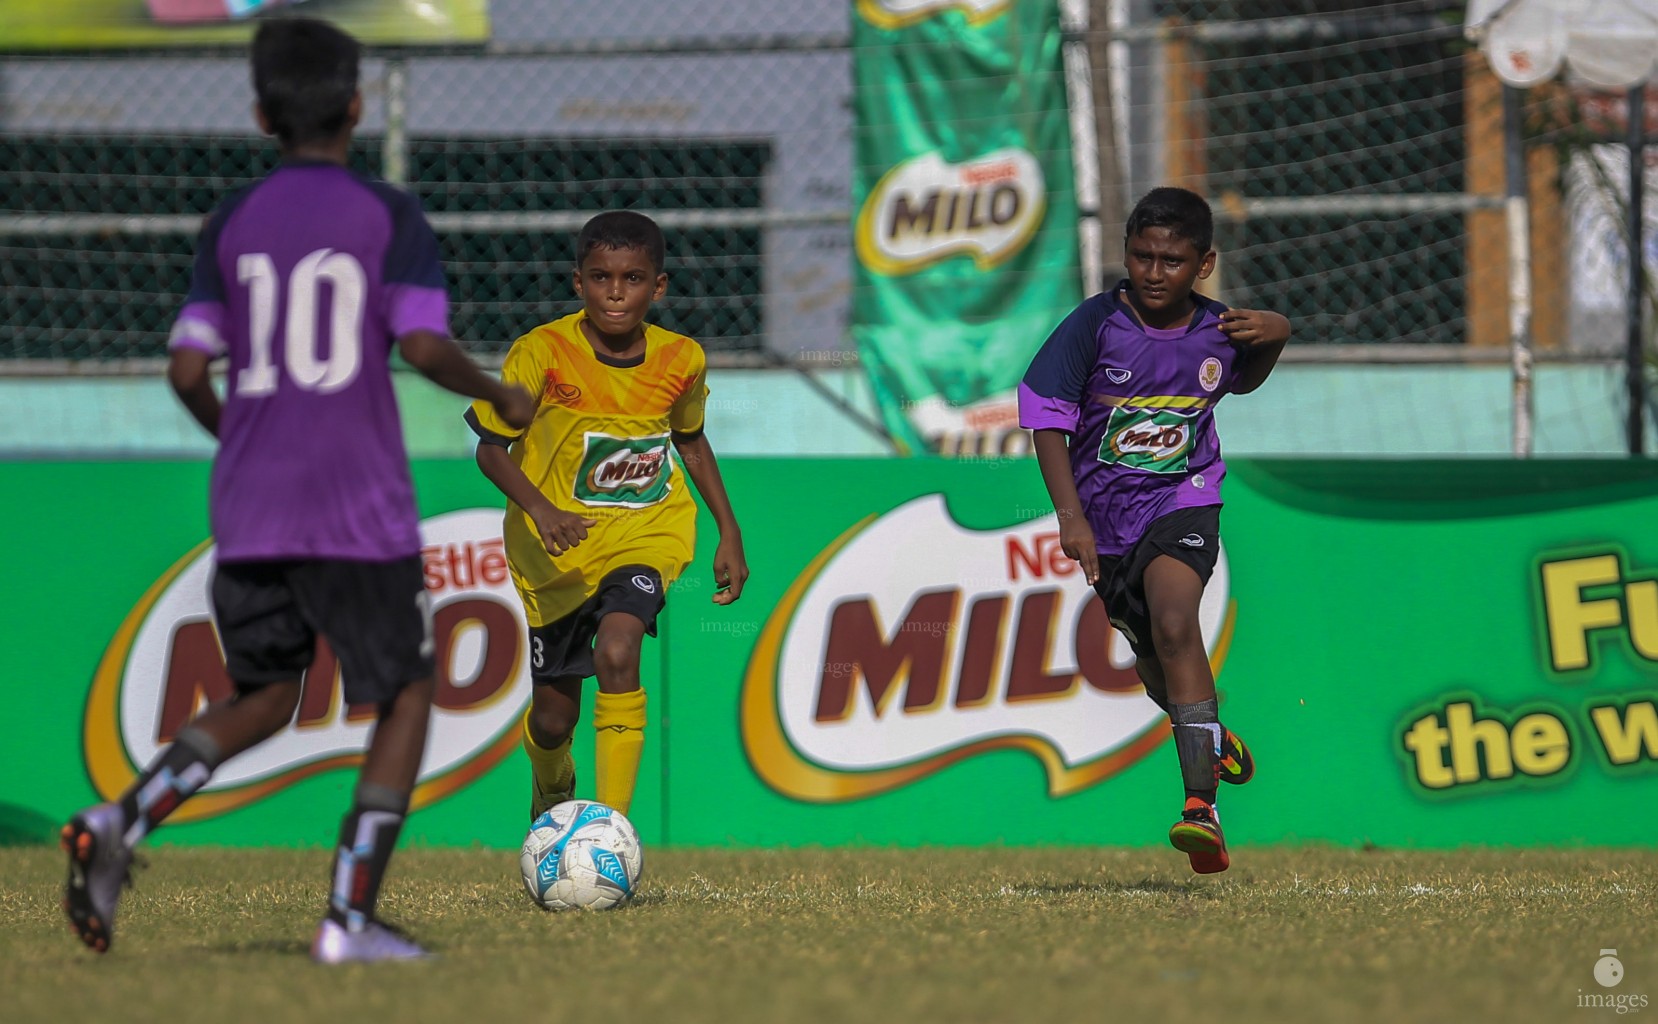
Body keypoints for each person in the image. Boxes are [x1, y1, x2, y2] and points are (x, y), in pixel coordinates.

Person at [60, 17, 536, 962]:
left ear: (259, 113)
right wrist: (500, 391)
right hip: (353, 508)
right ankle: (349, 920)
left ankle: (122, 822)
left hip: (250, 506)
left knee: (267, 691)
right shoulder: (387, 216)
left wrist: (245, 442)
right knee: (404, 693)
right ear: (359, 106)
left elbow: (189, 372)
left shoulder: (229, 222)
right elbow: (424, 346)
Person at [1018, 187, 1288, 874]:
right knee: (1148, 658)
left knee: (1175, 624)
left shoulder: (1218, 329)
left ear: (1204, 264)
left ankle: (1202, 809)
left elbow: (1246, 378)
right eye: (1143, 255)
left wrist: (1277, 333)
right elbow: (1044, 415)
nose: (1155, 270)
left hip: (1183, 500)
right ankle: (1208, 732)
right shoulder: (1095, 326)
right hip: (1105, 527)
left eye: (1173, 259)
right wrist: (1071, 516)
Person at [464, 210, 747, 824]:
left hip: (645, 532)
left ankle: (609, 829)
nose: (616, 292)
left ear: (659, 286)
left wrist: (729, 528)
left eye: (633, 278)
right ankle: (552, 781)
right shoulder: (541, 353)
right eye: (600, 277)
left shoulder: (683, 359)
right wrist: (542, 510)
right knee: (553, 718)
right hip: (556, 551)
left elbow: (690, 442)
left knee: (619, 650)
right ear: (578, 282)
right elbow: (490, 447)